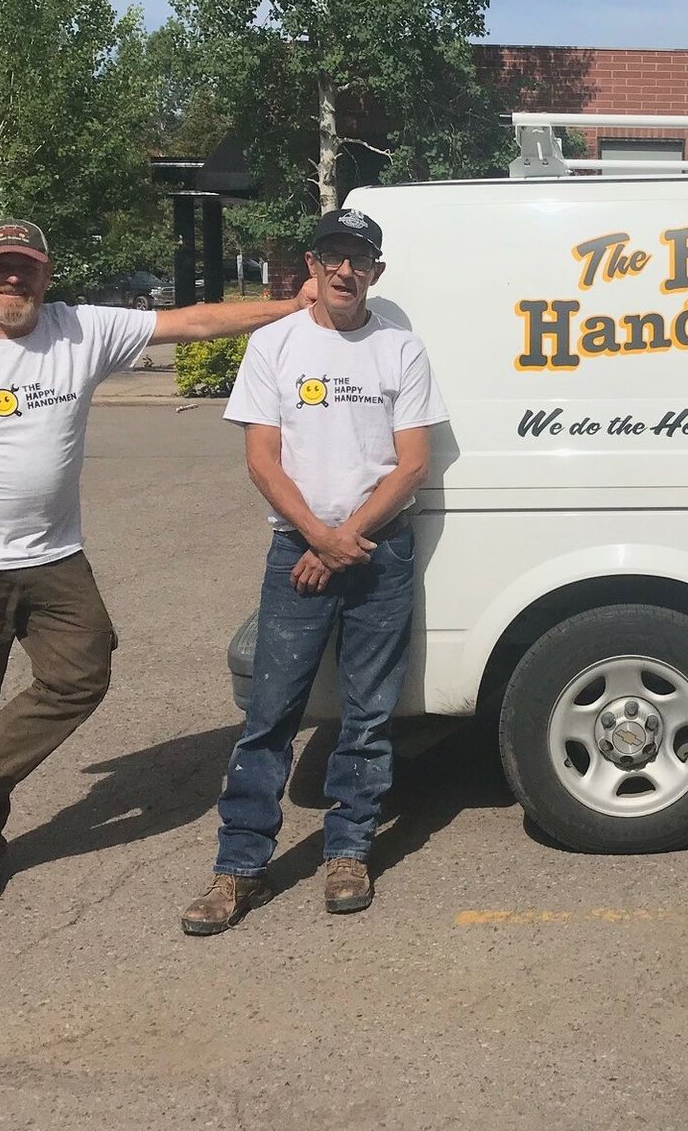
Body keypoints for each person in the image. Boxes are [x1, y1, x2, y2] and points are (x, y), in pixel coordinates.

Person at [0, 218, 316, 908]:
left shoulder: (79, 330)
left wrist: (289, 308)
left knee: (81, 673)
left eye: (27, 267)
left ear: (46, 272)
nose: (14, 279)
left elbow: (190, 323)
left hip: (52, 557)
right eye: (0, 267)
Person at [181, 207, 446, 935]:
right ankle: (239, 868)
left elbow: (413, 462)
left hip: (377, 554)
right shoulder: (275, 345)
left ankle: (349, 852)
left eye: (358, 259)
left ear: (375, 272)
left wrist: (344, 538)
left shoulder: (402, 351)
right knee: (270, 716)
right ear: (312, 264)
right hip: (296, 552)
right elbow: (262, 457)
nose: (344, 270)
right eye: (332, 255)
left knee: (367, 716)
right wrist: (316, 539)